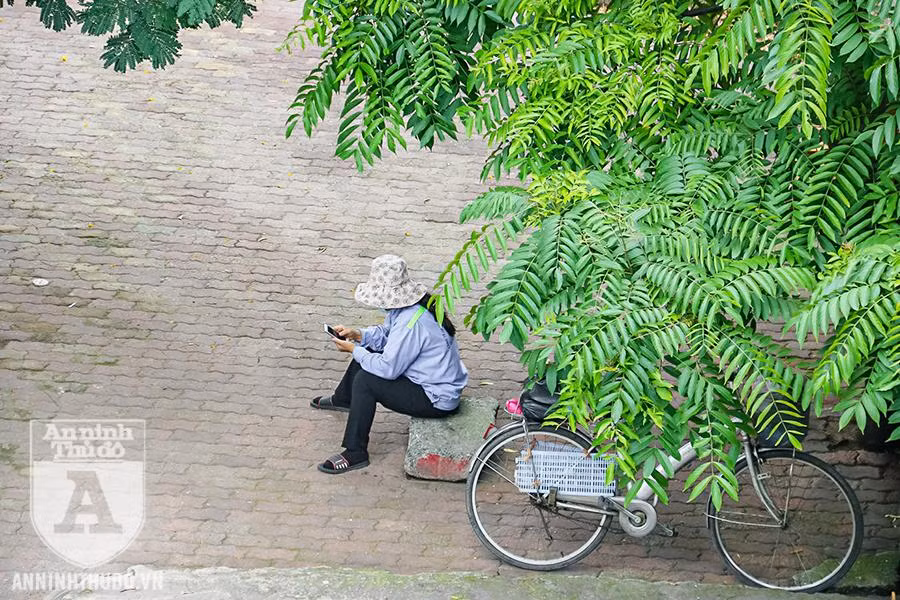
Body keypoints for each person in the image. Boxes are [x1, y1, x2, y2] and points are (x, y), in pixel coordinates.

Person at [311, 254, 468, 474]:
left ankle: (355, 452)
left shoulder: (411, 323)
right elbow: (387, 335)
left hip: (435, 398)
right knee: (366, 354)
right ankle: (344, 399)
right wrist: (359, 335)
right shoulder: (412, 308)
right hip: (427, 382)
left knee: (366, 380)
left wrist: (354, 350)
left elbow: (388, 368)